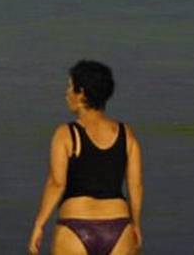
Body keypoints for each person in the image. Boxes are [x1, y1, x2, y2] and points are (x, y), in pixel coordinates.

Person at [29, 60, 143, 255]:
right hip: (118, 226)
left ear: (81, 92)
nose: (66, 94)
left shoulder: (66, 134)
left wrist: (39, 224)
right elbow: (136, 185)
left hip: (75, 226)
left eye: (69, 87)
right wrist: (136, 225)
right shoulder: (127, 134)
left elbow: (57, 183)